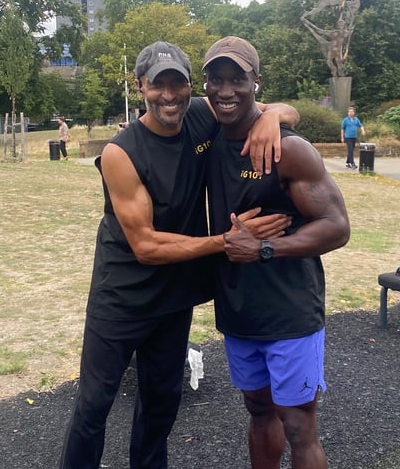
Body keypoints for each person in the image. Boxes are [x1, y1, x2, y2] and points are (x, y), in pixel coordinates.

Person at [59, 41, 299, 469]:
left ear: (192, 87)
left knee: (162, 400)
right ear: (141, 88)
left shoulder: (202, 116)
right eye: (158, 85)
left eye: (178, 84)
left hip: (174, 294)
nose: (169, 95)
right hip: (123, 295)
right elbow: (146, 246)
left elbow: (280, 108)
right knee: (95, 404)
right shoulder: (121, 152)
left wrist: (273, 118)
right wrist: (226, 241)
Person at [202, 36, 351, 468]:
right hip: (237, 307)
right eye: (216, 79)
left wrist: (264, 247)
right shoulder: (207, 131)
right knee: (258, 410)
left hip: (289, 310)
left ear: (257, 83)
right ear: (206, 84)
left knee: (299, 424)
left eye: (238, 79)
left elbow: (337, 228)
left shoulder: (289, 148)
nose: (226, 90)